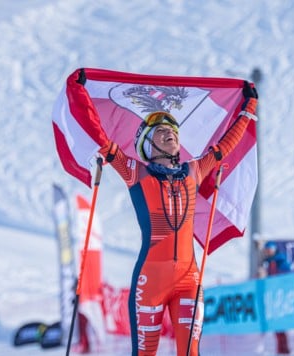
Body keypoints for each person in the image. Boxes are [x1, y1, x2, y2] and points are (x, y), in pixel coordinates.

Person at [89, 81, 258, 356]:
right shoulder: (135, 172)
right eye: (161, 131)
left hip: (188, 279)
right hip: (150, 282)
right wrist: (81, 92)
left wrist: (249, 108)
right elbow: (102, 140)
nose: (171, 133)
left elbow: (226, 145)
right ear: (147, 144)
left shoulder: (194, 170)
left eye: (173, 130)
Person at [259, 241, 291, 354]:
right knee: (276, 326)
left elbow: (286, 276)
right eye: (266, 249)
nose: (268, 251)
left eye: (270, 248)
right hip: (271, 298)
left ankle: (284, 349)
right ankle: (280, 350)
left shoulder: (280, 261)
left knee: (280, 324)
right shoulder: (266, 263)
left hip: (280, 297)